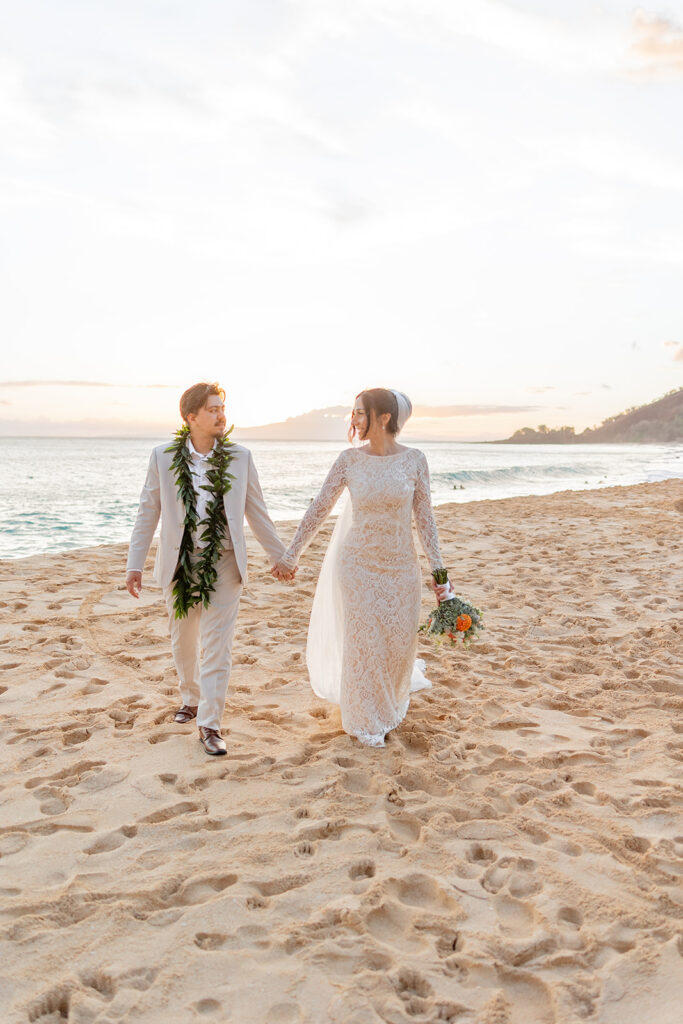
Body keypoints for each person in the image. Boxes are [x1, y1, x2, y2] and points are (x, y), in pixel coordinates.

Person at [272, 388, 452, 747]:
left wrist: (440, 575)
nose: (352, 419)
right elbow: (320, 507)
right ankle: (365, 721)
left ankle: (388, 706)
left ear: (384, 418)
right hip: (357, 566)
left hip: (401, 567)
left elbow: (425, 519)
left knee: (397, 645)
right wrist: (292, 554)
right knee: (364, 643)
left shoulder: (415, 460)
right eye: (352, 413)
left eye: (359, 412)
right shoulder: (348, 461)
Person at [126, 382, 291, 756]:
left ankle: (210, 724)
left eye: (222, 408)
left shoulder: (240, 457)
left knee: (218, 646)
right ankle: (190, 697)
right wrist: (134, 564)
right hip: (178, 562)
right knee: (182, 638)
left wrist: (279, 557)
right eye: (213, 409)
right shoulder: (163, 456)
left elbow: (257, 512)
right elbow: (148, 511)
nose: (221, 415)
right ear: (191, 417)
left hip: (225, 562)